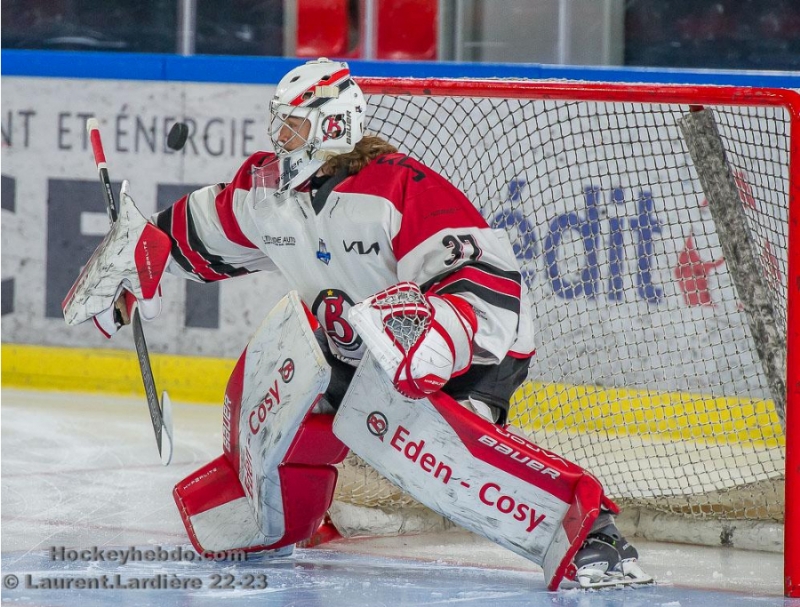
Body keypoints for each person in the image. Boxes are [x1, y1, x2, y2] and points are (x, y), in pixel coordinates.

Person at [115, 57, 646, 587]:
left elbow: (484, 279)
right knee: (280, 377)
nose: (280, 138)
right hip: (364, 348)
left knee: (426, 447)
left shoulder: (401, 188)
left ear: (331, 125)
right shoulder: (269, 193)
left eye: (292, 125)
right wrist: (138, 259)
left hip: (475, 348)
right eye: (279, 124)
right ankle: (273, 519)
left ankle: (593, 533)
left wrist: (435, 341)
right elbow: (200, 231)